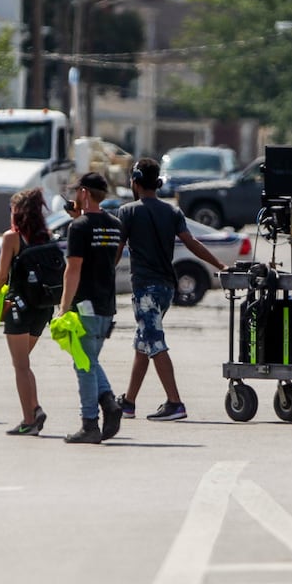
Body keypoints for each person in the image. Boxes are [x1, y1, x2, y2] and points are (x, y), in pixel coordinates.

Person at [112, 157, 226, 424]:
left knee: (154, 342)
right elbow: (192, 242)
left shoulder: (127, 212)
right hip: (166, 288)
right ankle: (128, 402)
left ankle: (175, 403)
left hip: (146, 289)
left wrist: (102, 277)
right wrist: (219, 264)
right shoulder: (171, 212)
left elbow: (117, 250)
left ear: (135, 182)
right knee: (144, 342)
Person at [57, 172, 125, 444]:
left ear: (84, 193)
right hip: (106, 305)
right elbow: (106, 257)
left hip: (84, 306)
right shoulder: (114, 224)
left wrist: (63, 307)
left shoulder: (79, 227)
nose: (74, 196)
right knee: (90, 360)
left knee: (83, 366)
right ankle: (109, 403)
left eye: (77, 191)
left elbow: (73, 269)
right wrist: (80, 218)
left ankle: (89, 424)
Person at [0, 188, 57, 436]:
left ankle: (29, 420)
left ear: (17, 213)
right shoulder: (46, 237)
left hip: (19, 308)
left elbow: (0, 276)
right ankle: (35, 408)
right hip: (42, 309)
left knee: (20, 366)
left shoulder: (12, 237)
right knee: (23, 363)